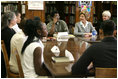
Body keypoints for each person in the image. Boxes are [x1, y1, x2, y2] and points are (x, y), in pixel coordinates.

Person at [1, 12, 17, 78]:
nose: (16, 20)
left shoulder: (10, 30)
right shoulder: (8, 32)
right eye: (15, 18)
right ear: (11, 21)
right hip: (9, 56)